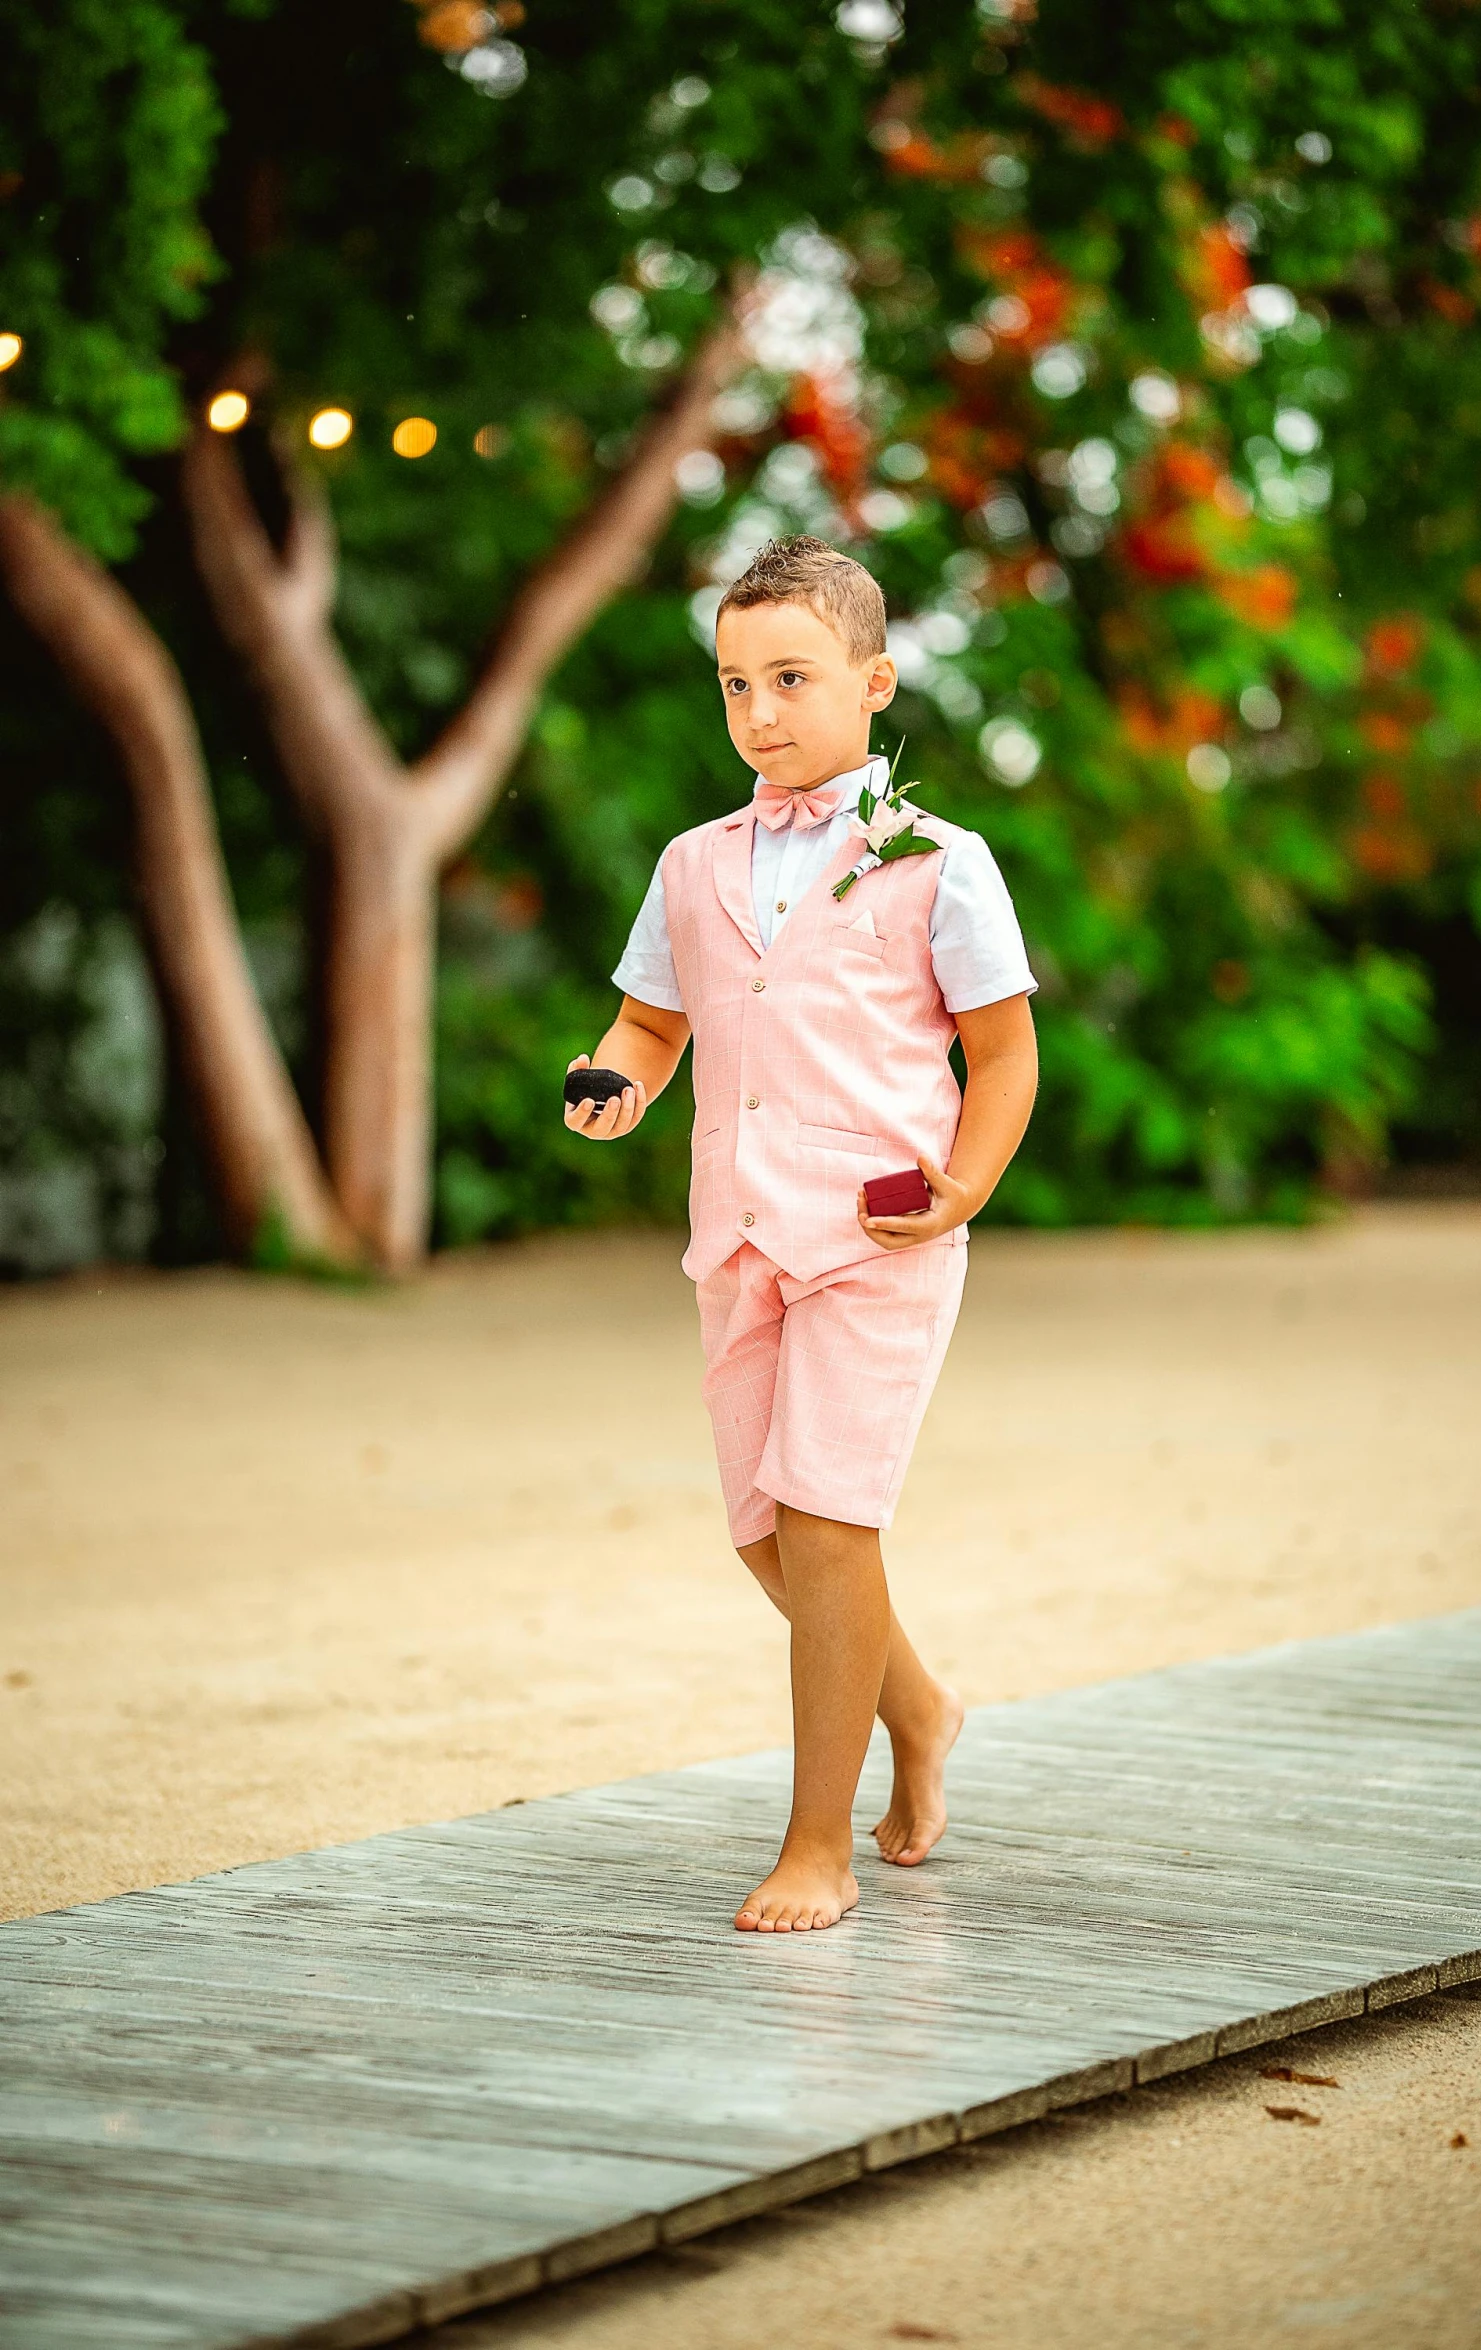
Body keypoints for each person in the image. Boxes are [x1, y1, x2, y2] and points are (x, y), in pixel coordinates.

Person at [564, 535, 1038, 1933]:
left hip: (879, 1236)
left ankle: (815, 1844)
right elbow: (653, 1020)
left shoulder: (938, 862)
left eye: (790, 677)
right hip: (739, 1231)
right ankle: (920, 1702)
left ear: (873, 682)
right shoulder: (693, 861)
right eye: (734, 684)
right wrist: (619, 1080)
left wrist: (962, 1184)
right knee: (767, 1532)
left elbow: (1002, 1056)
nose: (760, 711)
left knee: (831, 1522)